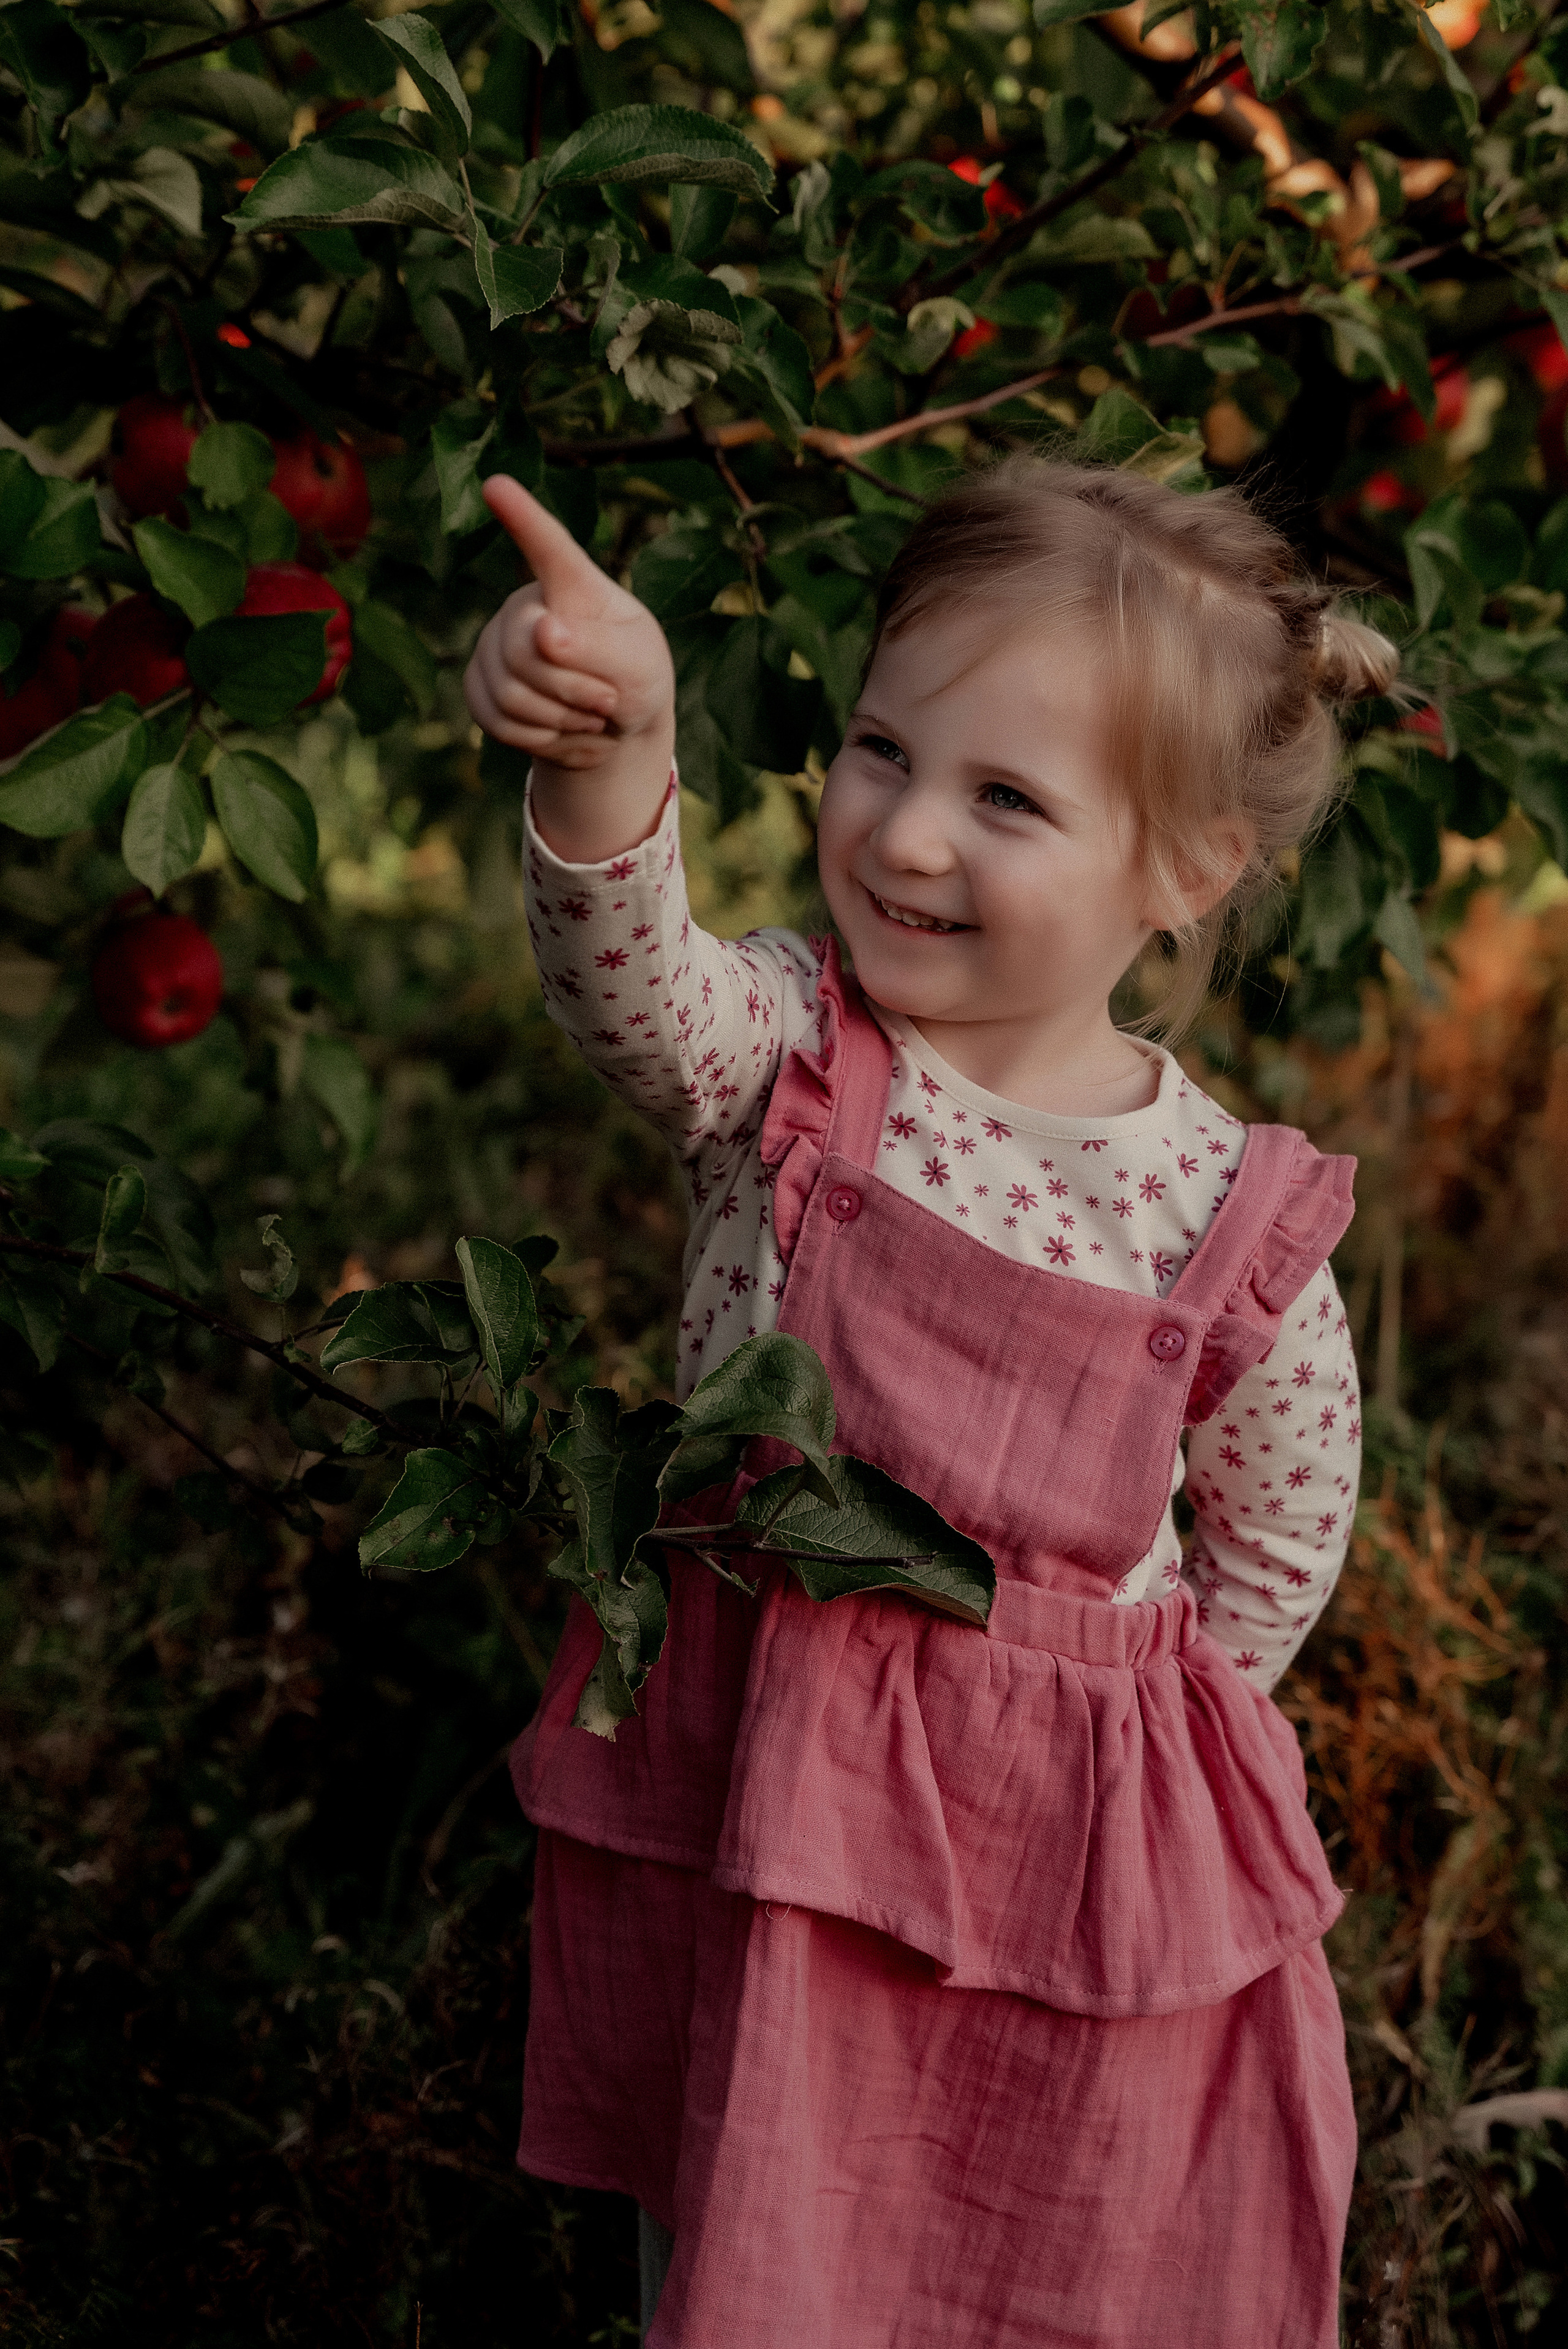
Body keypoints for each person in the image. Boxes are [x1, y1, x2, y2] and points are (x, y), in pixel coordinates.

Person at [464, 455, 1391, 2349]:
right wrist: (611, 757)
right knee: (736, 2202)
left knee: (1017, 2227)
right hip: (762, 1755)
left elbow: (1284, 1524)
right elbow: (632, 995)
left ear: (1187, 869)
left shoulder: (1214, 1214)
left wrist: (1115, 1753)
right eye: (883, 750)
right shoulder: (797, 1051)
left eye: (1007, 798)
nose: (903, 835)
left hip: (1040, 1838)